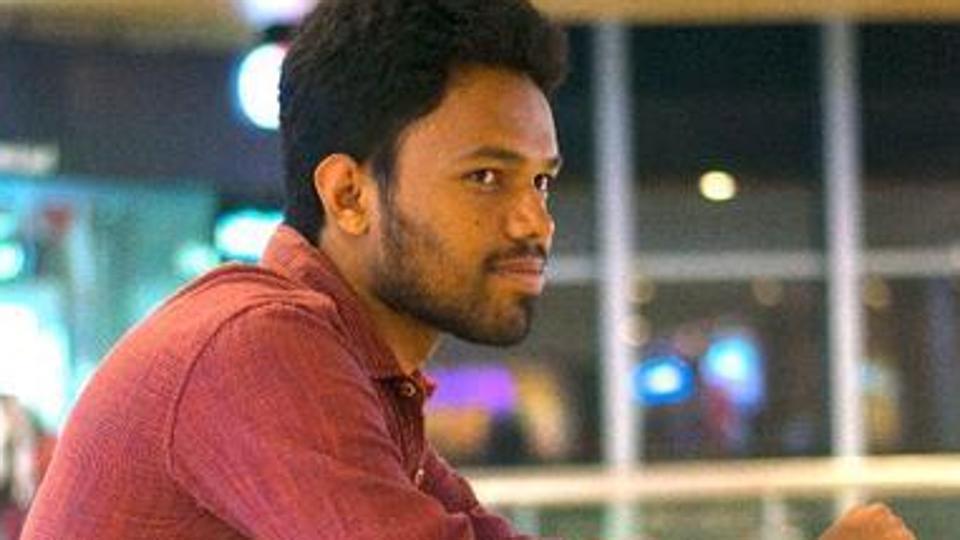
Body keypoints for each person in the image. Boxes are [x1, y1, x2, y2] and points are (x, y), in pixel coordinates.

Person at [22, 1, 916, 538]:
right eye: (486, 177)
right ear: (349, 194)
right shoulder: (256, 346)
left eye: (541, 181)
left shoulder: (360, 374)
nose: (534, 220)